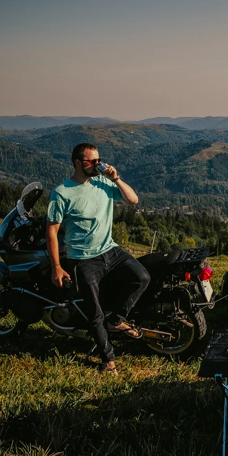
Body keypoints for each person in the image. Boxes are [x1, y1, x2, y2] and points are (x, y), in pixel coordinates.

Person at [46, 143, 150, 375]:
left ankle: (117, 319)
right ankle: (108, 361)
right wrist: (57, 266)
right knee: (94, 312)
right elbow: (52, 230)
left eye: (98, 160)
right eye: (90, 161)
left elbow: (133, 200)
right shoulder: (61, 192)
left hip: (110, 250)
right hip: (83, 259)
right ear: (76, 163)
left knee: (142, 277)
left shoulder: (103, 182)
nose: (96, 165)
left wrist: (116, 178)